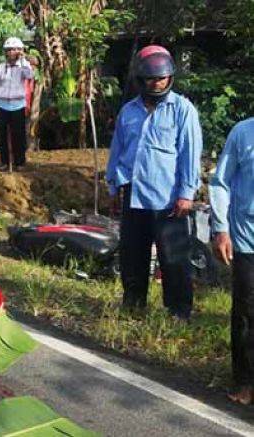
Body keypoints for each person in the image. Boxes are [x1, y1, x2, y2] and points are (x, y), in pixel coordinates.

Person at [106, 45, 203, 320]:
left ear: (170, 77)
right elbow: (117, 150)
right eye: (151, 78)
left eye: (161, 78)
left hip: (168, 200)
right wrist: (113, 186)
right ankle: (133, 304)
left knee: (173, 258)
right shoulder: (129, 111)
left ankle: (179, 311)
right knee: (132, 255)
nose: (156, 83)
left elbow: (190, 153)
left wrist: (187, 193)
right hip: (133, 194)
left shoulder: (183, 110)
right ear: (141, 79)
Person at [210, 118, 254, 405]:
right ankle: (246, 382)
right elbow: (221, 181)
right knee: (247, 313)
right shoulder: (242, 132)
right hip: (247, 237)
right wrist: (221, 229)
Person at [0, 37, 34, 171]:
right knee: (2, 136)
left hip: (18, 105)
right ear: (6, 52)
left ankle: (19, 162)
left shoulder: (22, 66)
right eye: (10, 50)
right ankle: (4, 162)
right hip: (3, 105)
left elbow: (29, 75)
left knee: (18, 135)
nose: (13, 52)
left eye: (16, 49)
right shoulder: (0, 68)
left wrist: (22, 60)